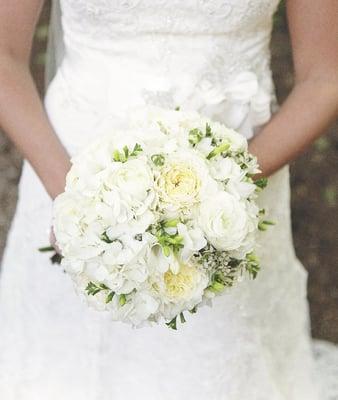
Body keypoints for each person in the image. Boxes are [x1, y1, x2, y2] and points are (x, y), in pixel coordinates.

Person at [0, 1, 337, 399]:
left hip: (237, 189)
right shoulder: (76, 194)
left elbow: (324, 77)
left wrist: (221, 190)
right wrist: (82, 204)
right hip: (67, 172)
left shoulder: (228, 191)